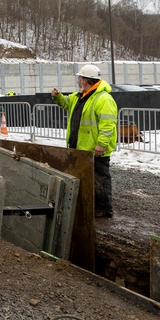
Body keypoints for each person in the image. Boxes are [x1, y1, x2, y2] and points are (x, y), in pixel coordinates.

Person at [51, 64, 118, 218]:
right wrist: (57, 97)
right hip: (81, 148)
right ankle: (87, 204)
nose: (77, 81)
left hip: (95, 149)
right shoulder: (79, 96)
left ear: (86, 81)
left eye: (79, 78)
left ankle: (102, 208)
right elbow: (66, 104)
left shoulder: (103, 99)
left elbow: (107, 124)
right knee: (83, 177)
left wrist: (101, 144)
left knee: (99, 179)